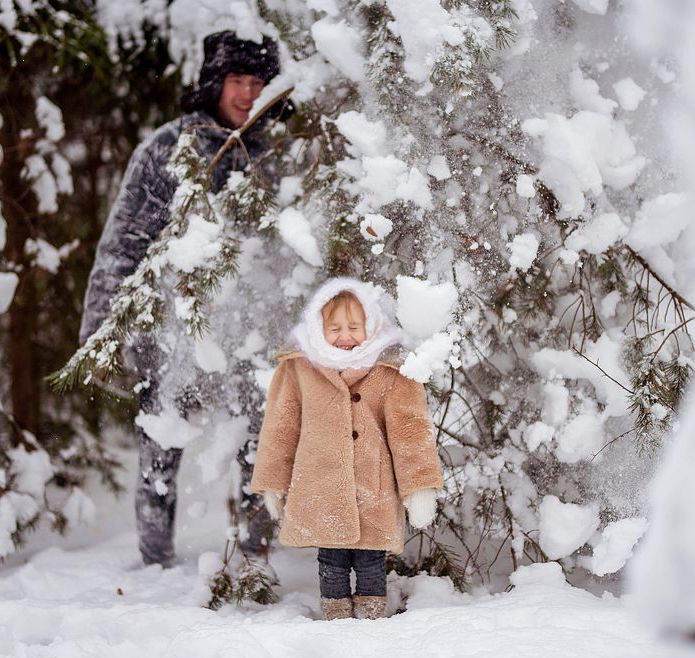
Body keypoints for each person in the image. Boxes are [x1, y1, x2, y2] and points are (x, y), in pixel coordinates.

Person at [79, 30, 287, 569]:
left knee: (260, 440)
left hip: (249, 328)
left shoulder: (276, 154)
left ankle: (254, 560)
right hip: (171, 325)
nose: (248, 93)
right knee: (160, 441)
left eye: (258, 81)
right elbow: (124, 241)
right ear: (214, 82)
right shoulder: (167, 148)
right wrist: (102, 327)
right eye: (237, 80)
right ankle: (154, 562)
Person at [250, 278, 445, 620]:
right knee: (331, 559)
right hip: (321, 485)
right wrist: (273, 481)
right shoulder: (299, 366)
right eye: (335, 328)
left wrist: (420, 486)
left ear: (371, 325)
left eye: (354, 327)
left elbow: (410, 430)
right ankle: (336, 616)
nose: (345, 335)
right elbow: (281, 427)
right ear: (318, 326)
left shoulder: (390, 368)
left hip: (373, 486)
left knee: (371, 558)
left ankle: (371, 615)